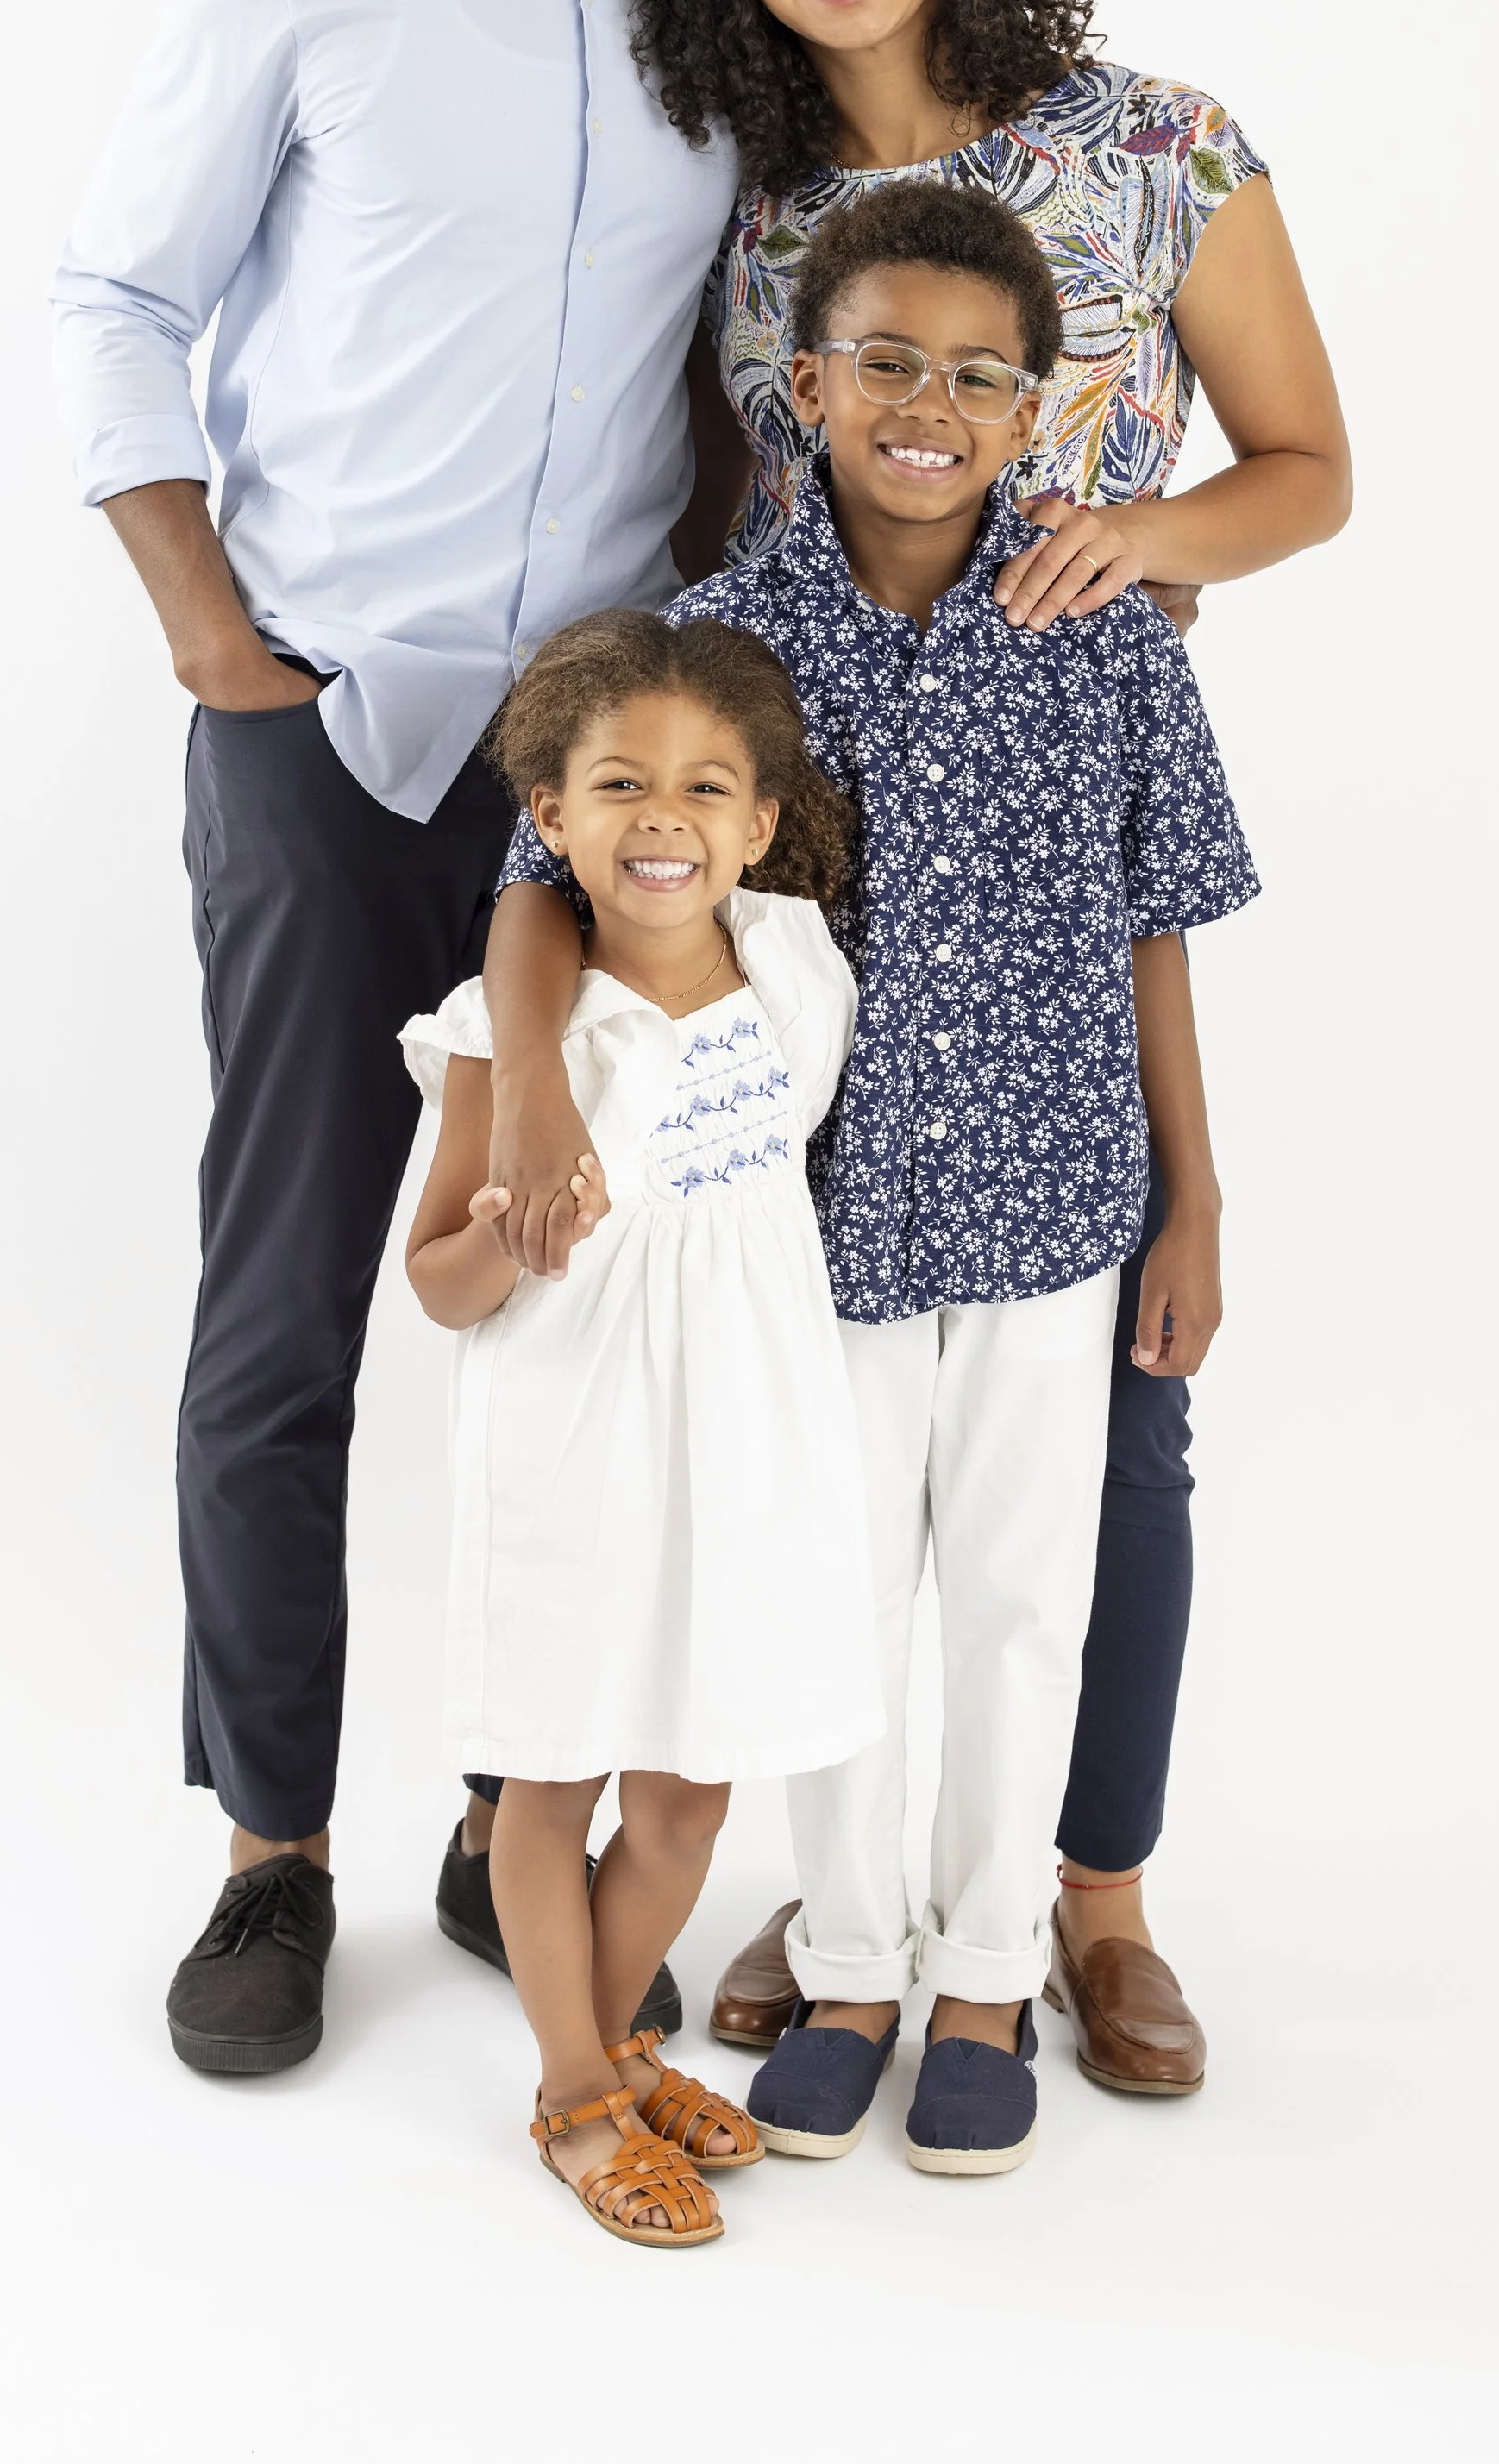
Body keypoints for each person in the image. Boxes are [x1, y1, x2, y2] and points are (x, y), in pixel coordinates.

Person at [482, 0, 1351, 2094]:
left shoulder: (1151, 144)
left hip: (1059, 848)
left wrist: (1124, 544)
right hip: (834, 934)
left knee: (1083, 1480)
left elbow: (1302, 466)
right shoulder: (748, 212)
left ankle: (1080, 1903)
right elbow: (720, 553)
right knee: (824, 1493)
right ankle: (842, 1912)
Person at [50, 0, 743, 2075]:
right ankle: (271, 1852)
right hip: (323, 730)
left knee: (567, 1297)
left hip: (593, 783)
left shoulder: (725, 1)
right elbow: (116, 292)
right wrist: (211, 645)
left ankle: (506, 1813)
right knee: (289, 1300)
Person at [493, 182, 1257, 2173]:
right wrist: (525, 1104)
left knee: (1015, 1592)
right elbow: (541, 886)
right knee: (826, 1595)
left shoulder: (1102, 627)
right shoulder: (718, 639)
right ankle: (847, 1963)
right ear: (809, 385)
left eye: (977, 375)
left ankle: (987, 1971)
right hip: (800, 1221)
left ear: (1032, 406)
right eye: (887, 363)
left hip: (1048, 1199)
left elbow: (1157, 925)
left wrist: (1190, 1196)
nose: (928, 405)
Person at [402, 614, 875, 2244]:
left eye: (703, 788)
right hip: (572, 1437)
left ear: (757, 825)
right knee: (553, 1781)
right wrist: (509, 1235)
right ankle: (574, 2098)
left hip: (744, 1436)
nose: (661, 815)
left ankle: (609, 2052)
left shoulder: (797, 967)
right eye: (617, 785)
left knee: (686, 1800)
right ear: (551, 813)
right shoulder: (510, 1029)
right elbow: (436, 1284)